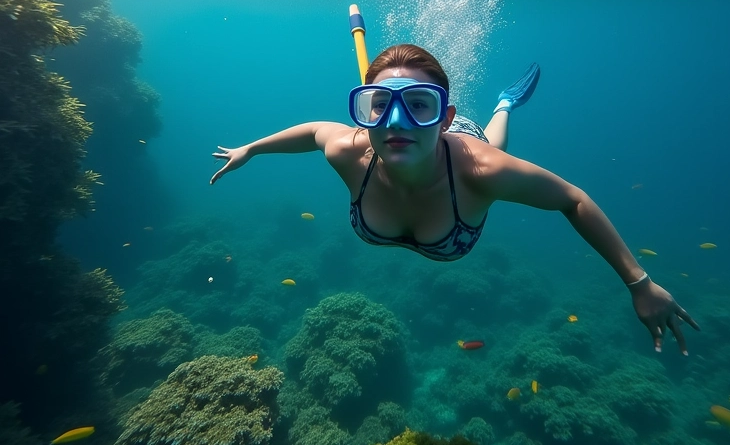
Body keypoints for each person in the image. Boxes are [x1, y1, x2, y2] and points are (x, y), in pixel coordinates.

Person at [211, 44, 699, 355]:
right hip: (438, 149)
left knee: (492, 141)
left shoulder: (482, 172)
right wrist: (251, 149)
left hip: (463, 149)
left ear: (443, 115)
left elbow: (572, 199)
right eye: (379, 106)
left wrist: (639, 282)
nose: (397, 121)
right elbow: (317, 130)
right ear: (363, 115)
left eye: (419, 105)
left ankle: (505, 102)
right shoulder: (348, 150)